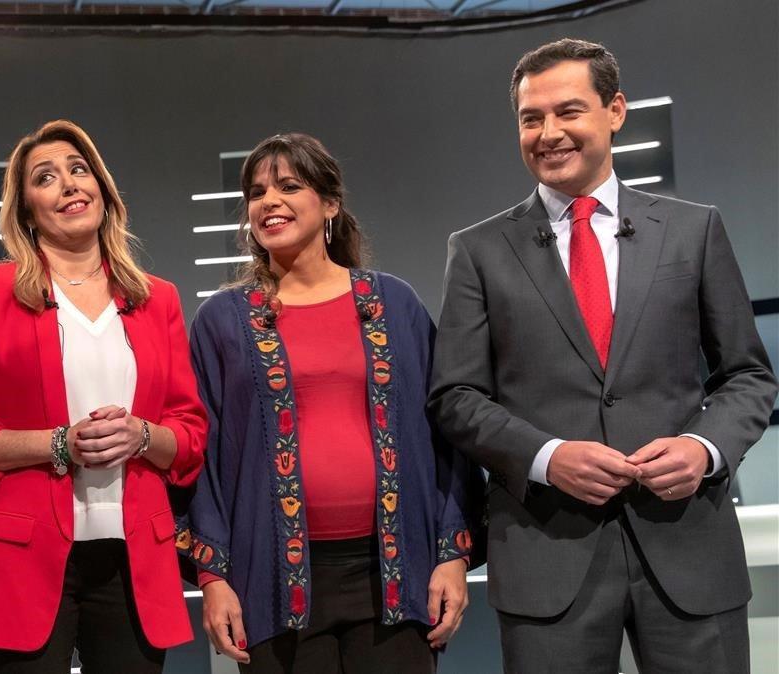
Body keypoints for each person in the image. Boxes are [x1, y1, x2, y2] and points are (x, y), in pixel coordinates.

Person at [428, 38, 777, 674]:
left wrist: (703, 448)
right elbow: (455, 397)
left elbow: (748, 376)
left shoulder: (694, 230)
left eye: (568, 112)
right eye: (531, 119)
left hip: (688, 549)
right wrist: (547, 457)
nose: (547, 133)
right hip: (545, 553)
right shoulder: (477, 250)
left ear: (614, 110)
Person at [180, 132, 485, 674]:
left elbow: (449, 436)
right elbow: (201, 457)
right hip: (269, 581)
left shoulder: (394, 303)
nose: (268, 201)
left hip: (395, 574)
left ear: (330, 204)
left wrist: (452, 556)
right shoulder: (221, 321)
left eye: (289, 186)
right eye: (256, 192)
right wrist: (214, 577)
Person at [0, 119, 206, 673]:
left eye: (79, 171)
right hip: (23, 558)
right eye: (47, 177)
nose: (69, 185)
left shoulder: (159, 301)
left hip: (135, 559)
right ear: (27, 210)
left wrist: (143, 435)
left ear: (103, 191)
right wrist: (58, 445)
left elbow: (191, 431)